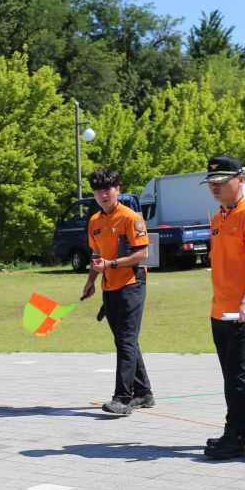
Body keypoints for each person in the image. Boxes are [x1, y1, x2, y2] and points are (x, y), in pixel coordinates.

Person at [201, 156, 245, 460]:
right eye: (211, 182)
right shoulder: (218, 217)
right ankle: (244, 430)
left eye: (222, 181)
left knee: (237, 375)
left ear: (241, 180)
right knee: (230, 375)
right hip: (221, 310)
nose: (215, 187)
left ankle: (236, 437)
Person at [80, 168, 154, 416]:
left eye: (107, 190)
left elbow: (142, 254)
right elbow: (96, 254)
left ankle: (122, 398)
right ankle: (143, 393)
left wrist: (111, 264)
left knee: (125, 341)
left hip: (132, 284)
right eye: (98, 191)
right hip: (109, 286)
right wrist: (91, 280)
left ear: (117, 190)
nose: (103, 195)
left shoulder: (131, 218)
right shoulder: (94, 221)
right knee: (125, 341)